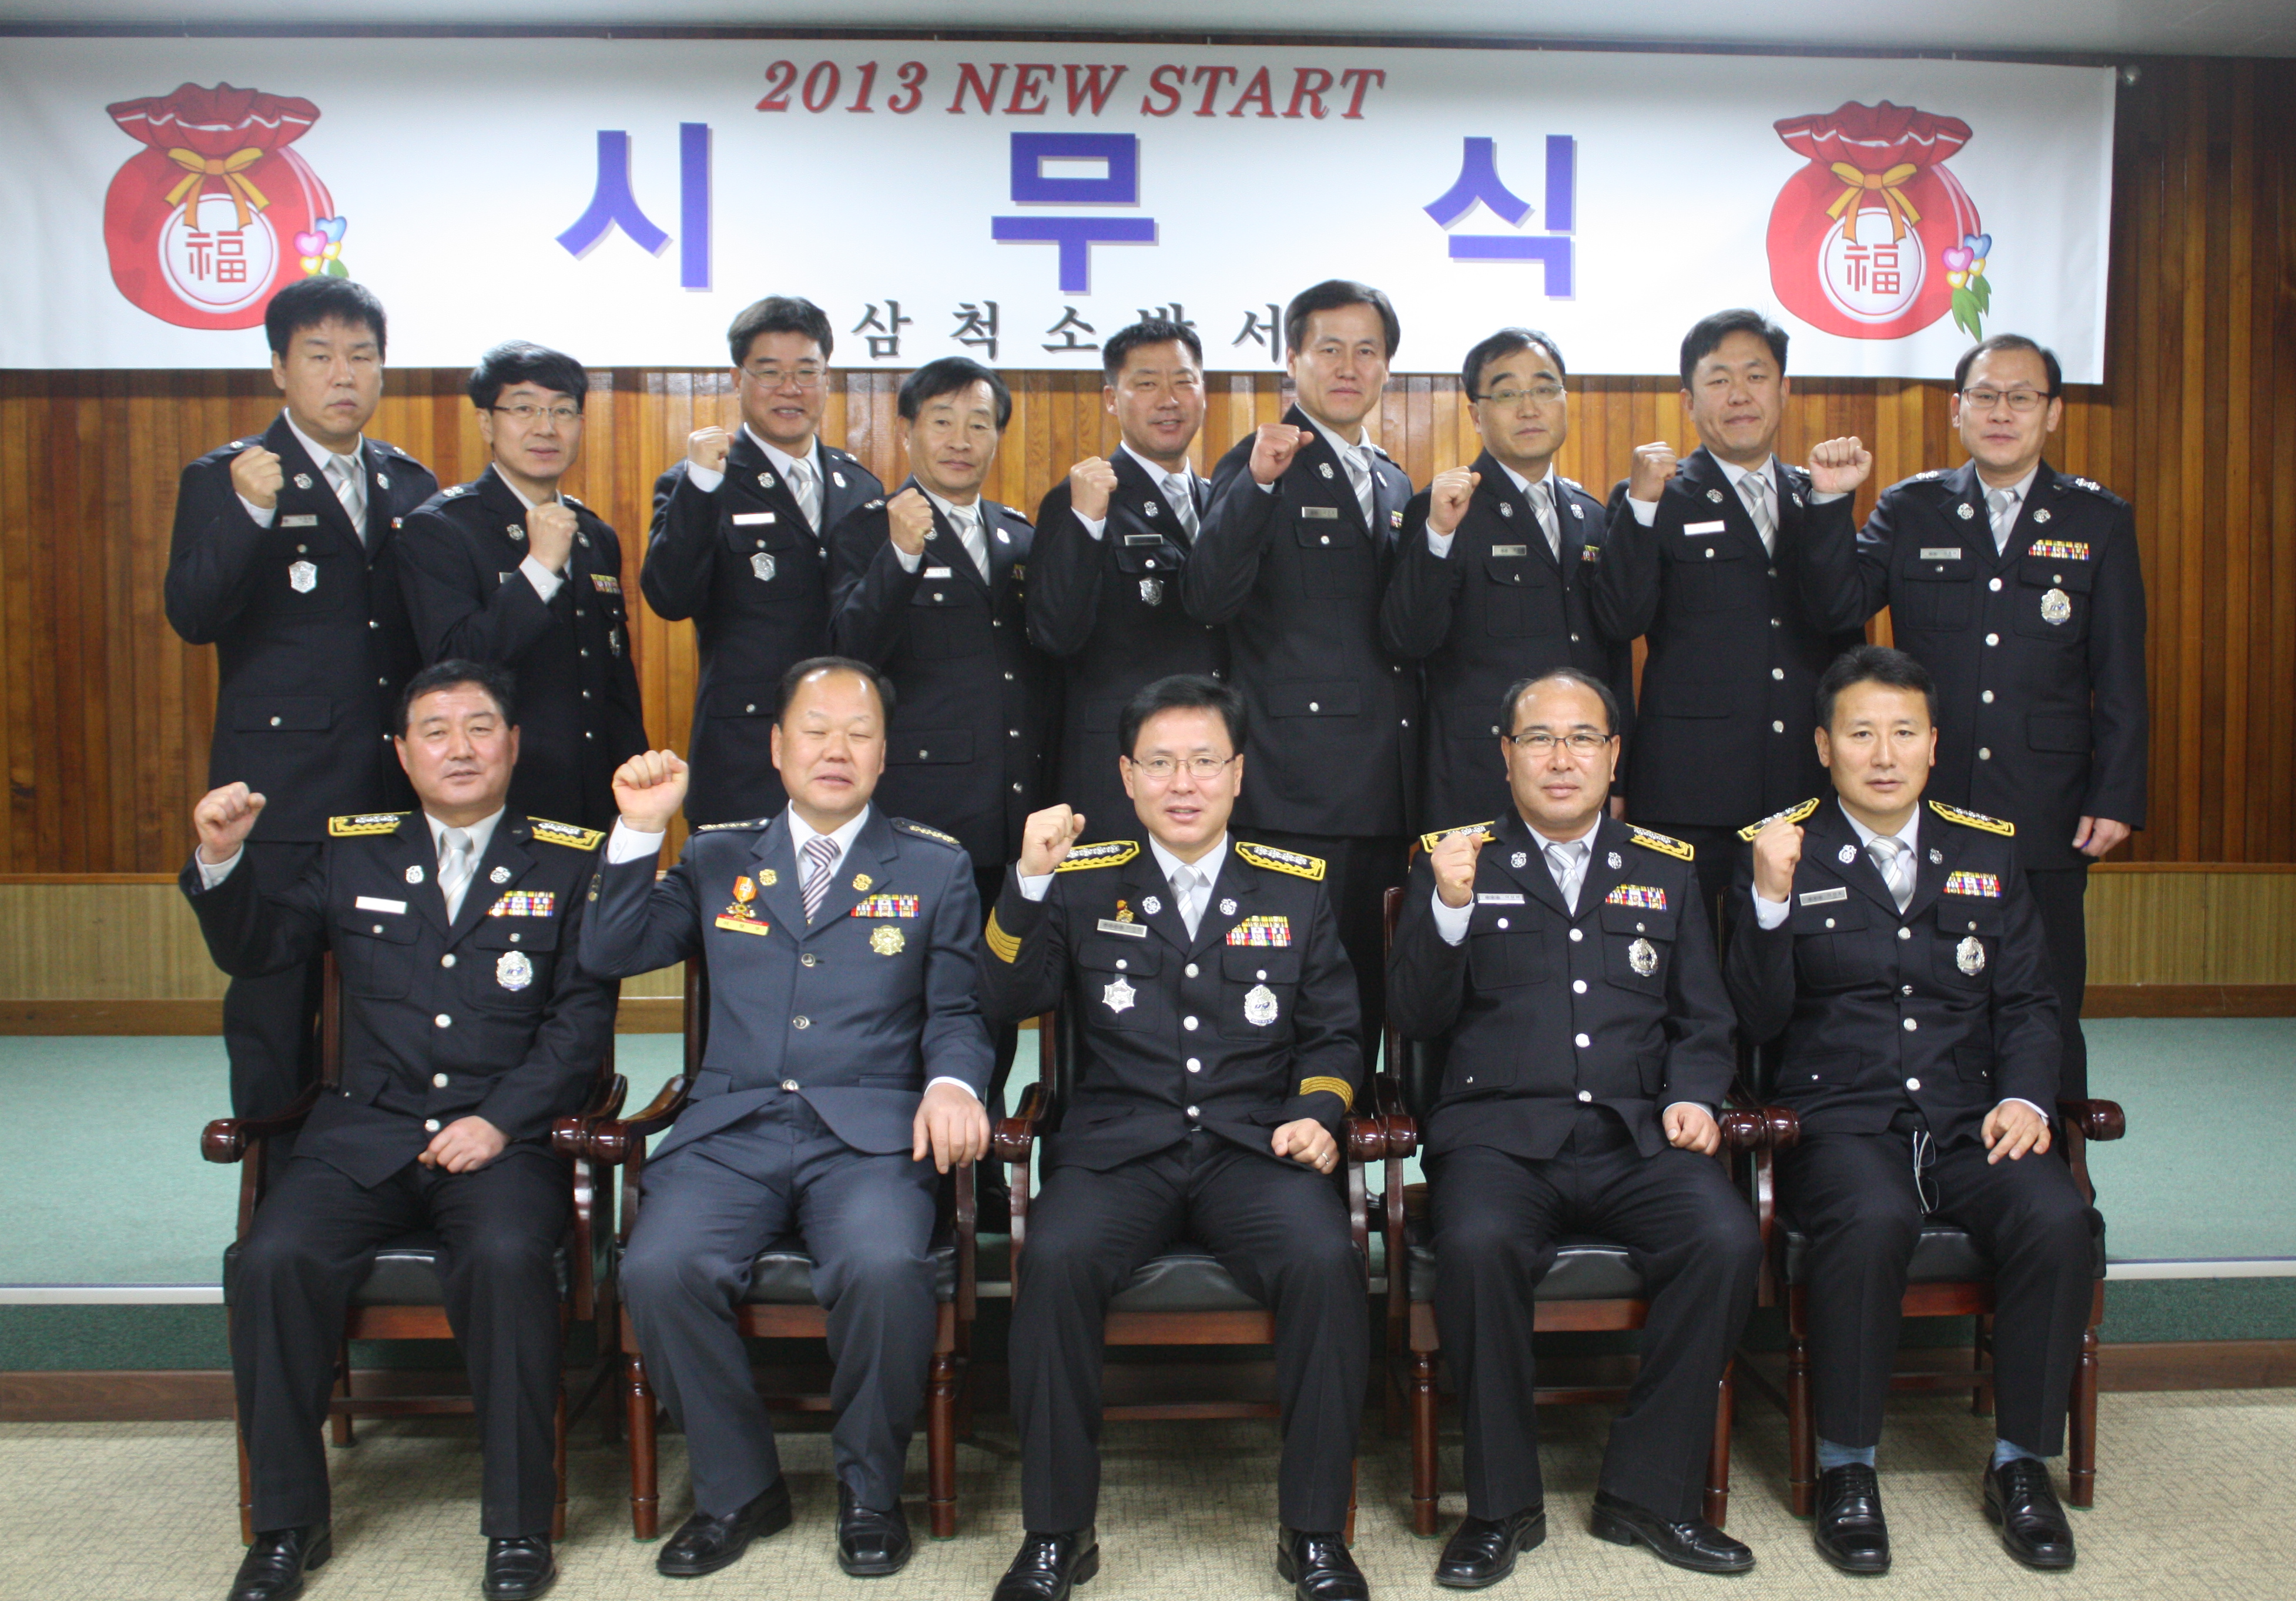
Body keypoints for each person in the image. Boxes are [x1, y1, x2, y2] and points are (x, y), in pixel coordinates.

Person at [182, 659, 614, 1601]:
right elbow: (260, 949)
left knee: (505, 1258)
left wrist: (498, 1121)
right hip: (364, 1133)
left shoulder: (571, 858)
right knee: (271, 1259)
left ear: (514, 744)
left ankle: (518, 1526)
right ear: (403, 753)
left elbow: (580, 1029)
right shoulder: (355, 851)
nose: (460, 748)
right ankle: (286, 1526)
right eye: (435, 731)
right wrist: (222, 860)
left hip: (504, 1143)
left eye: (480, 727)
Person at [582, 657, 991, 1581]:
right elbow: (610, 950)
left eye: (858, 734)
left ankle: (870, 1493)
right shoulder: (716, 855)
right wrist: (640, 829)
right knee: (658, 1267)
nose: (835, 750)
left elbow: (958, 1012)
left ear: (884, 755)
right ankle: (738, 1489)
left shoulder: (935, 866)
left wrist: (953, 1086)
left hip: (871, 1137)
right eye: (815, 731)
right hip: (733, 1132)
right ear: (777, 747)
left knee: (884, 1269)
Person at [976, 672, 1370, 1601]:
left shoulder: (1297, 887)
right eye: (1160, 764)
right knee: (1054, 1260)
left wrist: (1316, 1113)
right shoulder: (1079, 881)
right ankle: (1057, 1535)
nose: (1182, 783)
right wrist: (1027, 881)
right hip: (1119, 1152)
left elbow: (1336, 1036)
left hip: (1253, 1149)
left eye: (1203, 762)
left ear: (1239, 774)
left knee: (1326, 1261)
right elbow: (1005, 995)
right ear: (1127, 776)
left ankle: (1315, 1533)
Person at [1725, 644, 2099, 1576]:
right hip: (1841, 1121)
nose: (1883, 754)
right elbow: (1754, 1021)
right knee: (1871, 1217)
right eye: (1861, 734)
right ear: (1824, 746)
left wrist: (2026, 1096)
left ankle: (2021, 1465)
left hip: (1972, 1117)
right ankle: (1848, 1467)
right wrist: (1769, 902)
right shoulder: (1779, 849)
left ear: (1935, 744)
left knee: (2059, 1217)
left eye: (1903, 733)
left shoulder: (1987, 850)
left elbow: (2030, 1001)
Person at [1387, 669, 1759, 1587]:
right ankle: (1501, 1506)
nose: (1562, 758)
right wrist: (1448, 909)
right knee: (1476, 1245)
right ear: (1506, 756)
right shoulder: (1454, 860)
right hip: (1498, 1141)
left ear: (1613, 755)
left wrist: (1695, 1096)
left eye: (1583, 738)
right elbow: (1414, 1018)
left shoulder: (1665, 867)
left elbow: (1705, 1020)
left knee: (1723, 1237)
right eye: (1539, 739)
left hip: (1636, 1138)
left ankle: (1648, 1492)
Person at [1803, 333, 2148, 1100]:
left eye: (2022, 397)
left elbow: (2121, 672)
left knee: (2046, 987)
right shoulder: (1913, 507)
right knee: (1930, 982)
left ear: (2053, 413)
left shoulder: (2098, 519)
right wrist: (1831, 504)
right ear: (1957, 409)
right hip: (1927, 797)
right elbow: (1838, 606)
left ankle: (2053, 1144)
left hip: (2045, 800)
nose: (2002, 412)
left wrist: (2117, 794)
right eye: (1985, 396)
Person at [164, 276, 439, 1121]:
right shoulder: (228, 477)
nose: (343, 374)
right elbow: (193, 615)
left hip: (392, 793)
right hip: (282, 792)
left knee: (389, 1000)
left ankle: (372, 1171)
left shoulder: (410, 481)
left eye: (362, 355)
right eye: (319, 356)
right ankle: (271, 1183)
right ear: (280, 368)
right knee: (275, 1006)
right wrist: (249, 514)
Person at [1186, 279, 1418, 1064]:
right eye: (1330, 348)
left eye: (1367, 350)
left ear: (1387, 367)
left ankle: (1348, 1121)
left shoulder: (1391, 479)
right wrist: (1258, 483)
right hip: (1296, 786)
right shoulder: (1262, 462)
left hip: (1381, 782)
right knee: (1283, 988)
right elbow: (1208, 596)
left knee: (1367, 984)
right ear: (1292, 360)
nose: (1349, 366)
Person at [830, 355, 1048, 1146]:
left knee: (995, 992)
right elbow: (848, 653)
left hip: (1009, 814)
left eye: (979, 424)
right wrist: (899, 557)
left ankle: (978, 1161)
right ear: (907, 431)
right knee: (904, 995)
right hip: (918, 819)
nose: (961, 440)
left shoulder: (1019, 536)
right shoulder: (865, 530)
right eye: (943, 422)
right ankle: (900, 1159)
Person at [1589, 309, 1863, 932]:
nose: (1739, 395)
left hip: (1804, 783)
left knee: (1798, 960)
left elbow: (1843, 626)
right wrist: (1640, 507)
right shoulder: (1655, 495)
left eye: (1756, 377)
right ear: (1689, 401)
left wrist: (1832, 502)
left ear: (1784, 390)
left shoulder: (1817, 493)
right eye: (1718, 380)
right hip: (1691, 791)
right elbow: (1620, 618)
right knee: (1688, 960)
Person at [640, 295, 886, 824]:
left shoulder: (860, 486)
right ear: (738, 378)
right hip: (744, 758)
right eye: (770, 372)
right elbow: (669, 596)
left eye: (807, 372)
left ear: (827, 378)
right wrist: (701, 487)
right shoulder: (700, 481)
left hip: (847, 761)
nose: (790, 389)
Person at [1382, 329, 1623, 835]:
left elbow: (1613, 656)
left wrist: (1620, 777)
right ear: (1476, 414)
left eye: (1545, 389)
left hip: (1580, 781)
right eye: (1508, 393)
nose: (1529, 408)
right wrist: (1438, 535)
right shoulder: (1444, 510)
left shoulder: (1591, 515)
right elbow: (1409, 639)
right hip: (1478, 779)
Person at [395, 342, 647, 829]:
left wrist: (634, 783)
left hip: (599, 797)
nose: (546, 428)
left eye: (563, 411)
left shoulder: (595, 534)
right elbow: (454, 665)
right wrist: (539, 569)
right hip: (502, 800)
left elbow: (615, 681)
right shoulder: (443, 528)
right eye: (524, 409)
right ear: (487, 423)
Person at [1026, 317, 1227, 840]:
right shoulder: (1081, 500)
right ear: (1112, 400)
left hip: (1212, 772)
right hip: (1122, 776)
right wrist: (1087, 523)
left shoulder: (1222, 501)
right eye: (1147, 383)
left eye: (1183, 381)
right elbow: (1054, 633)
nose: (1169, 400)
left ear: (1204, 392)